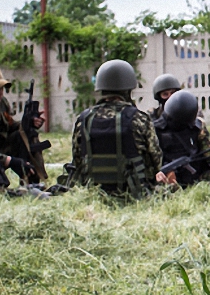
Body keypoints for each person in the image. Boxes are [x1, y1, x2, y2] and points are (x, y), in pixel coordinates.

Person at [64, 59, 163, 197]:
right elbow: (156, 159)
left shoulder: (84, 119)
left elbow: (77, 159)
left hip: (94, 194)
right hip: (133, 193)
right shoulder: (139, 118)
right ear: (128, 89)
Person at [0, 64, 46, 180]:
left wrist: (28, 123)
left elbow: (10, 126)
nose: (0, 92)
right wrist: (9, 161)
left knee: (27, 134)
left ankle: (34, 180)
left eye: (1, 88)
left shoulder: (1, 103)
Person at [153, 90, 210, 186]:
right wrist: (160, 174)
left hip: (199, 176)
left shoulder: (197, 127)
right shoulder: (156, 130)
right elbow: (152, 164)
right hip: (170, 179)